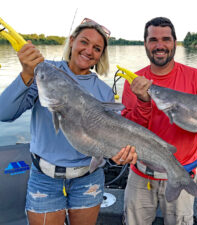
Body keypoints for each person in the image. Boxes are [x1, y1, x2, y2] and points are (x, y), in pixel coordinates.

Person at [0, 18, 137, 225]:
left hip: (87, 177)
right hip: (44, 178)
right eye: (84, 42)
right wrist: (27, 73)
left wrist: (119, 154)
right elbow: (4, 112)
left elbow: (108, 138)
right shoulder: (44, 71)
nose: (89, 50)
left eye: (97, 48)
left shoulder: (103, 91)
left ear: (101, 55)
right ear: (72, 41)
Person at [122, 17, 197, 225]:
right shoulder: (133, 82)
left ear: (175, 43)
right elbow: (129, 132)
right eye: (153, 40)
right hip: (141, 174)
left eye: (166, 39)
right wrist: (144, 103)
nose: (159, 46)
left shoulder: (195, 76)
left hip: (183, 172)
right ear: (145, 43)